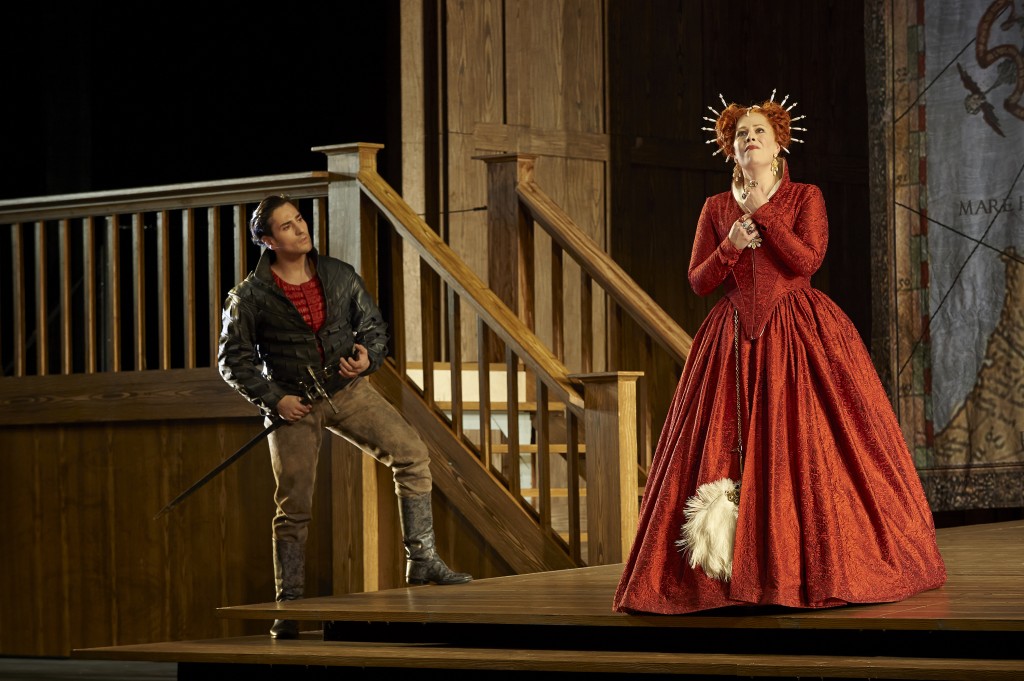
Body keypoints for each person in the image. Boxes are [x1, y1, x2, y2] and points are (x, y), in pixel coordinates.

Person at [613, 93, 946, 615]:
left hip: (799, 333)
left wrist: (762, 218)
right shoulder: (714, 208)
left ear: (778, 145)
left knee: (811, 448)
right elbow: (700, 282)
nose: (749, 140)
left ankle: (799, 573)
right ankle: (723, 578)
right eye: (741, 134)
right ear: (730, 149)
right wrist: (730, 243)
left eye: (758, 133)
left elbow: (808, 259)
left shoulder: (805, 197)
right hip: (731, 339)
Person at [218, 194, 472, 639]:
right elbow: (233, 361)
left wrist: (366, 357)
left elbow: (372, 326)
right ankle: (289, 603)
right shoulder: (249, 296)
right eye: (287, 226)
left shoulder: (338, 274)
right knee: (293, 506)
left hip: (349, 391)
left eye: (300, 220)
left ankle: (423, 560)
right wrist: (275, 400)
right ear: (266, 240)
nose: (300, 229)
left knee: (412, 454)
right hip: (294, 405)